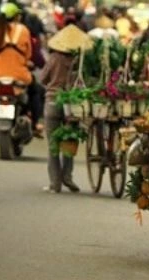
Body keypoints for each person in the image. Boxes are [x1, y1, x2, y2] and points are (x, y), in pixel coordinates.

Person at [0, 2, 45, 137]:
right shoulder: (24, 30)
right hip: (19, 76)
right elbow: (30, 54)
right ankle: (36, 123)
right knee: (36, 91)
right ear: (17, 17)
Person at [41, 24, 91, 193]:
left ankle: (55, 184)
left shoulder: (54, 58)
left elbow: (43, 78)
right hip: (74, 104)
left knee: (53, 145)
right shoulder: (80, 61)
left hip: (53, 102)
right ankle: (67, 177)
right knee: (70, 141)